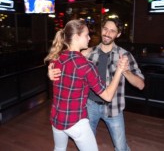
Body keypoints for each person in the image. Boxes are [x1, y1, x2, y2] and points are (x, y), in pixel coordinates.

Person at [48, 17, 145, 151]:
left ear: (118, 34)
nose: (107, 33)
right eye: (105, 29)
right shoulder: (87, 53)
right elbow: (64, 64)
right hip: (89, 107)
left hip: (113, 108)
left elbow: (141, 85)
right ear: (101, 30)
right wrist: (51, 72)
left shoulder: (125, 55)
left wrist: (126, 71)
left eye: (112, 31)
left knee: (121, 147)